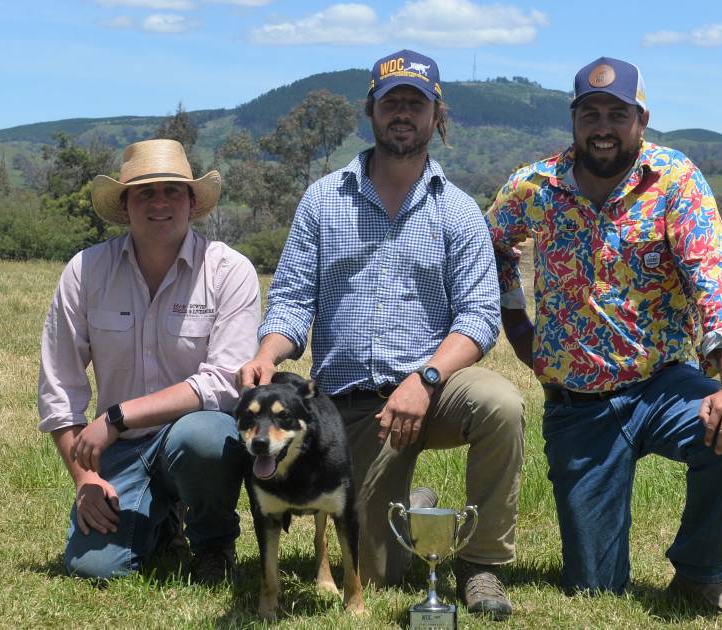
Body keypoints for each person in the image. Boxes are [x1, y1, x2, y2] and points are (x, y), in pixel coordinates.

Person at [239, 49, 524, 620]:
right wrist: (268, 354)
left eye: (415, 104)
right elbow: (292, 301)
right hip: (348, 409)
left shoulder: (459, 211)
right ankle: (413, 507)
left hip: (432, 391)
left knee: (501, 403)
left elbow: (478, 317)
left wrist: (426, 378)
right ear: (370, 111)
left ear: (436, 116)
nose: (402, 114)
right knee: (374, 571)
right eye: (391, 102)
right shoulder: (324, 200)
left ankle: (482, 564)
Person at [484, 57, 722, 619]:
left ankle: (699, 570)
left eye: (618, 113)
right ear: (574, 119)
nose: (603, 126)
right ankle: (603, 558)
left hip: (662, 384)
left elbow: (714, 276)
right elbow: (490, 248)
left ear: (642, 119)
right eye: (591, 114)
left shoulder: (674, 178)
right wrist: (518, 328)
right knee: (595, 590)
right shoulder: (533, 187)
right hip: (578, 404)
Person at [37, 139, 259, 582]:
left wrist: (117, 417)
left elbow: (222, 384)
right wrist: (84, 479)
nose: (160, 203)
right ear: (125, 204)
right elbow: (59, 389)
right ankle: (161, 523)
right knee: (94, 568)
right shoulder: (84, 271)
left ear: (193, 202)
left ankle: (213, 544)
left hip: (193, 437)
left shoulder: (230, 271)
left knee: (206, 437)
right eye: (145, 192)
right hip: (119, 451)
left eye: (173, 190)